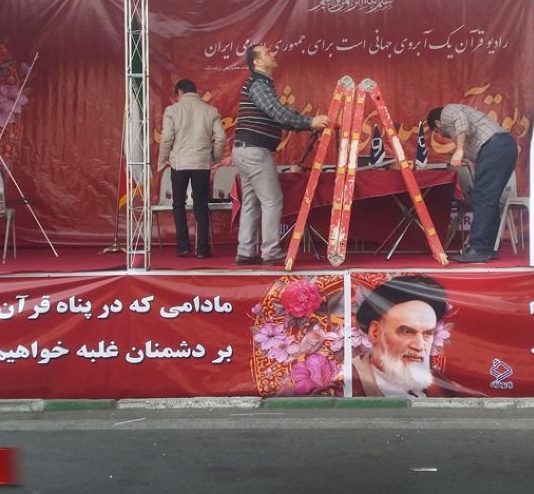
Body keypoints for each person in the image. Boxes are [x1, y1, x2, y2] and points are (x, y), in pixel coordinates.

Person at [233, 45, 329, 266]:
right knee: (272, 200)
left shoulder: (261, 84)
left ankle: (246, 251)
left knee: (251, 202)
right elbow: (277, 112)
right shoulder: (258, 83)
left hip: (245, 150)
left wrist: (306, 123)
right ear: (257, 62)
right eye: (267, 53)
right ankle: (270, 251)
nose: (273, 55)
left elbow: (278, 112)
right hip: (255, 151)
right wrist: (310, 122)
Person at [426, 104, 518, 263]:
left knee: (483, 197)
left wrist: (459, 150)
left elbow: (461, 120)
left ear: (438, 123)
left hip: (495, 147)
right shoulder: (459, 133)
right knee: (489, 198)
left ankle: (477, 248)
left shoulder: (448, 111)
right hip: (502, 148)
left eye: (437, 132)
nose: (441, 136)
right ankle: (487, 249)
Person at [352, 275, 465, 397]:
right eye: (406, 332)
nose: (419, 346)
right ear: (375, 332)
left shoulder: (442, 388)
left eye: (427, 334)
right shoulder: (348, 385)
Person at [157, 79, 226, 259]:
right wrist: (215, 157)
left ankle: (183, 247)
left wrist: (163, 160)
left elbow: (166, 138)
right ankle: (202, 250)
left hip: (179, 164)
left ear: (179, 92)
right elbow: (221, 138)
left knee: (178, 204)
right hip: (201, 164)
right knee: (201, 206)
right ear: (195, 91)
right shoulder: (210, 111)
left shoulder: (172, 110)